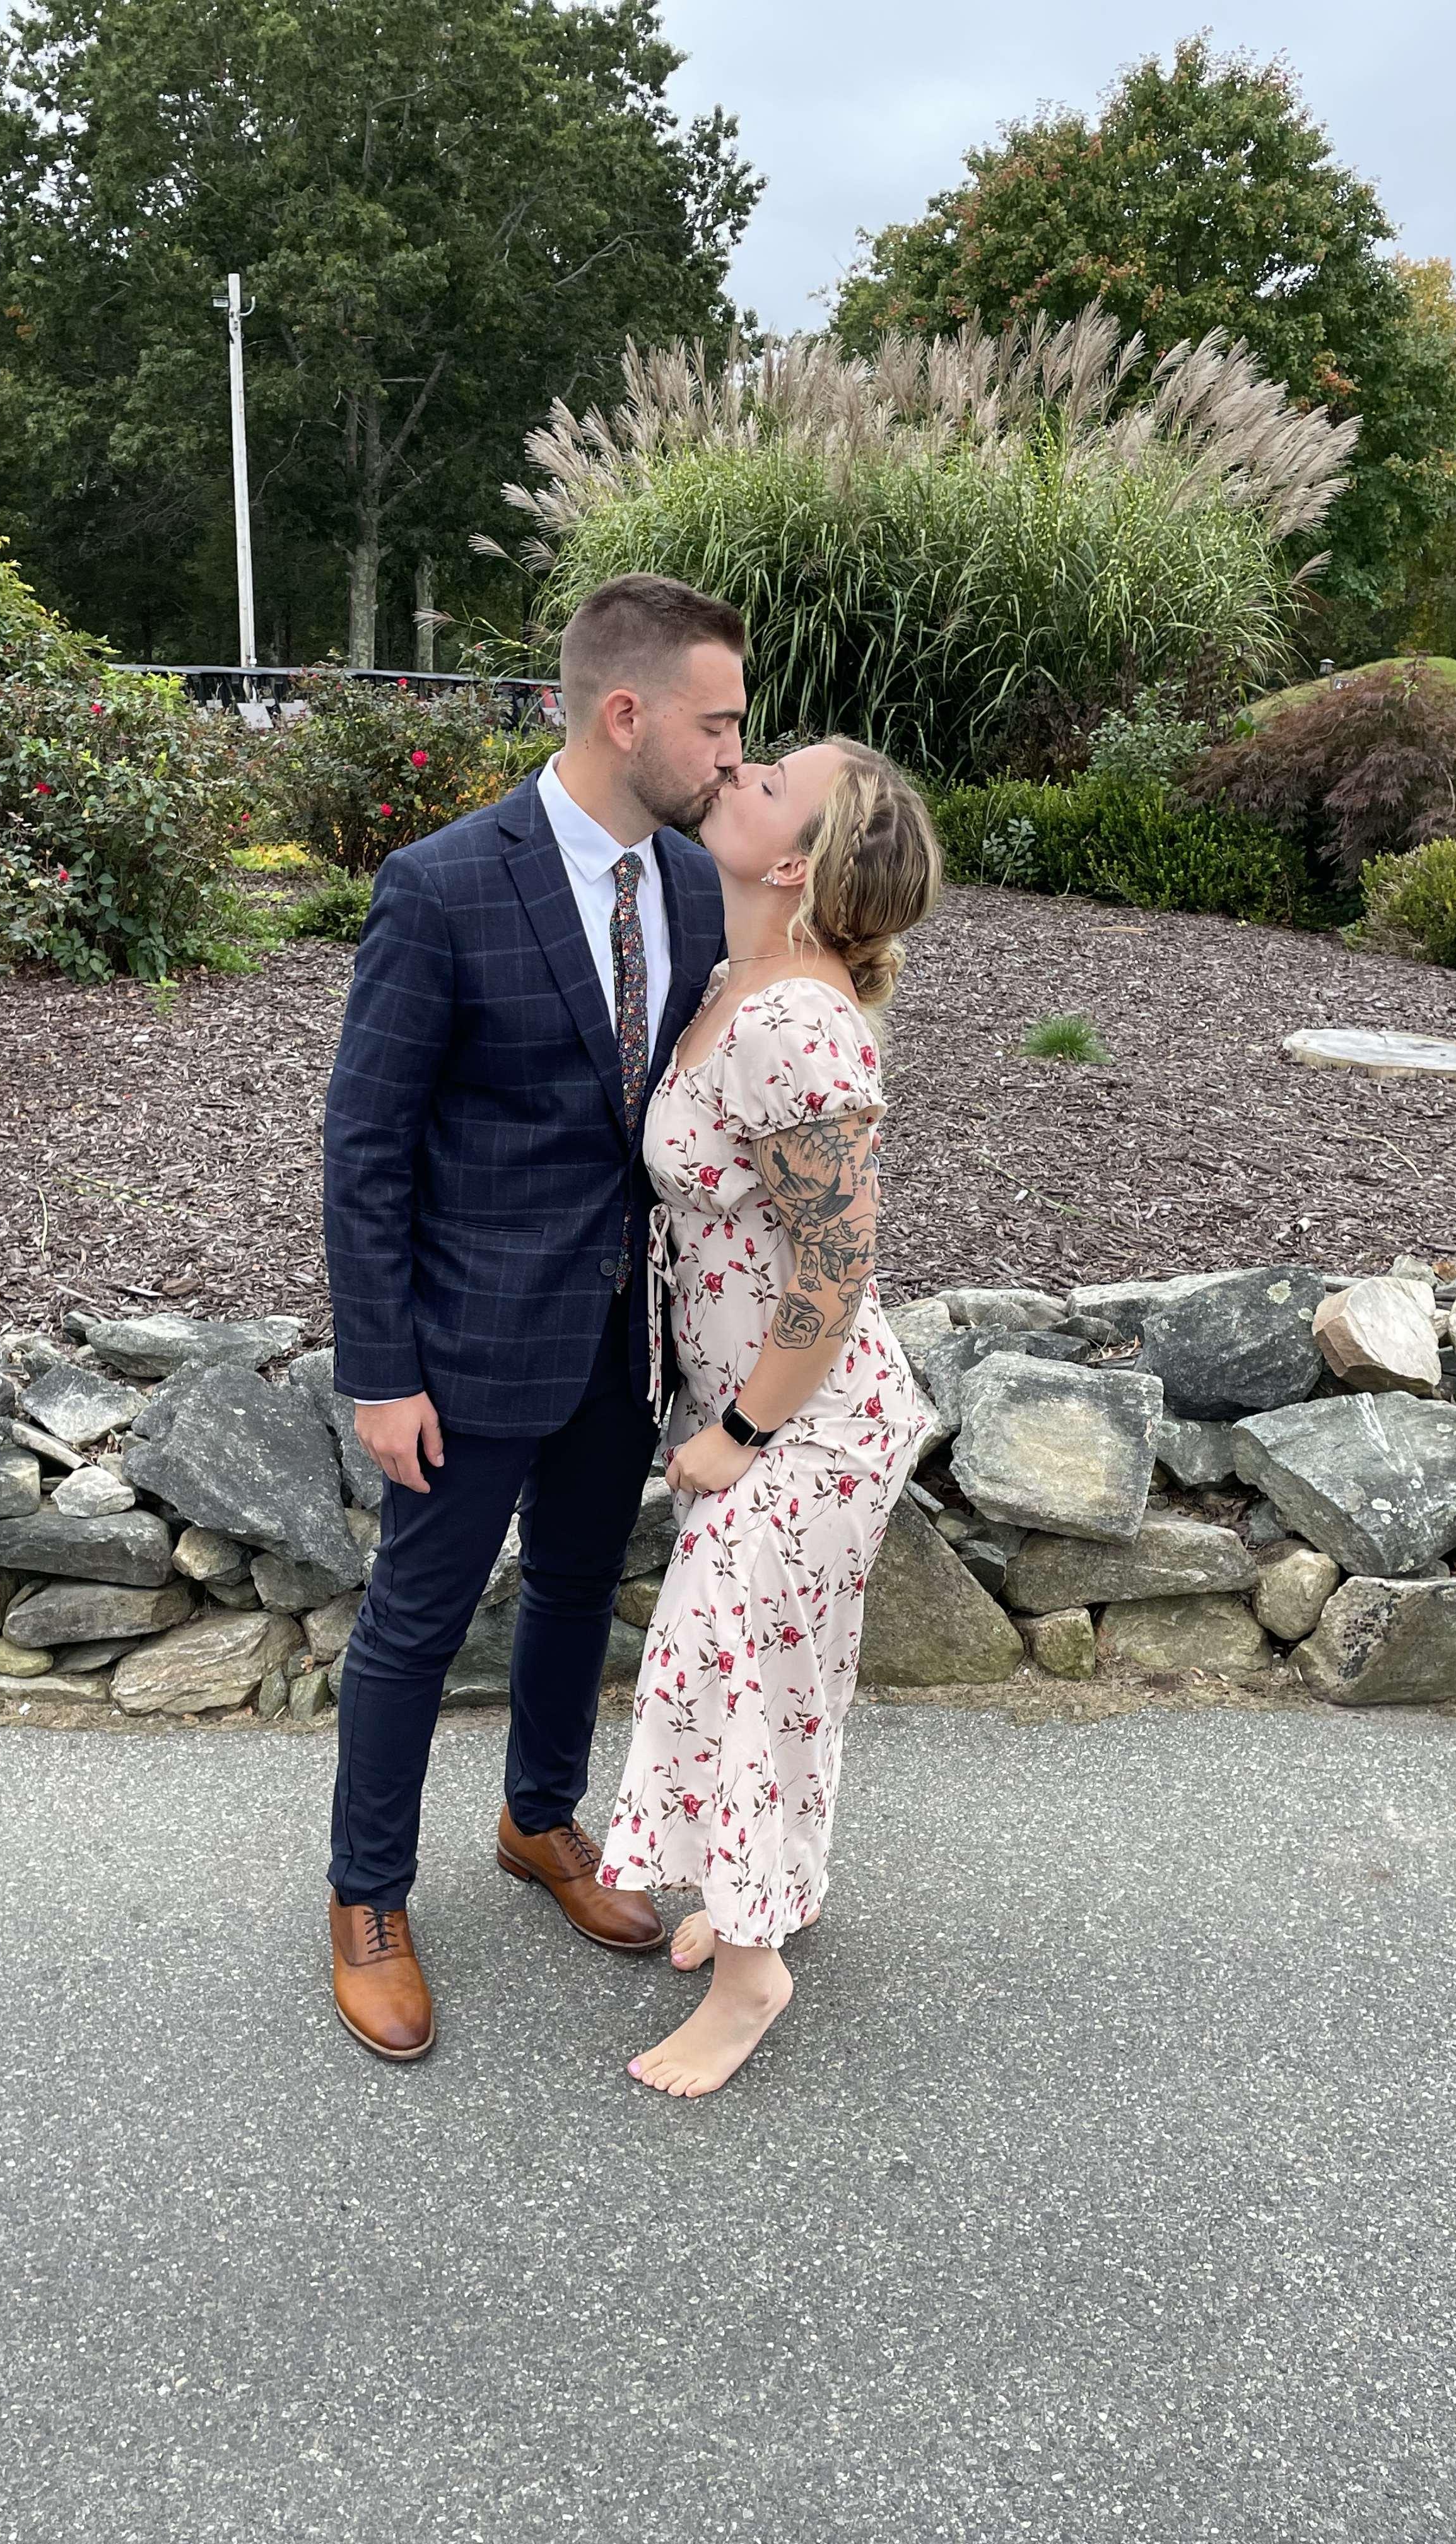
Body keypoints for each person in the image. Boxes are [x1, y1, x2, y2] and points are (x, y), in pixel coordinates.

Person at [319, 574, 744, 2061]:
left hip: (624, 1339)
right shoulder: (442, 885)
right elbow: (366, 1146)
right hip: (464, 1346)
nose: (733, 755)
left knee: (573, 1590)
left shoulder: (695, 886)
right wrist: (382, 1370)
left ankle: (539, 1819)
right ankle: (366, 1896)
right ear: (626, 714)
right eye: (717, 725)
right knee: (417, 1625)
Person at [593, 739, 944, 2098]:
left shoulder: (795, 1022)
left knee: (735, 1673)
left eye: (772, 780)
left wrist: (736, 1435)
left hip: (809, 1424)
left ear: (795, 862)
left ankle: (751, 1978)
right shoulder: (736, 982)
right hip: (762, 1408)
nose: (738, 769)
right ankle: (765, 1899)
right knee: (765, 1673)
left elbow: (836, 1268)